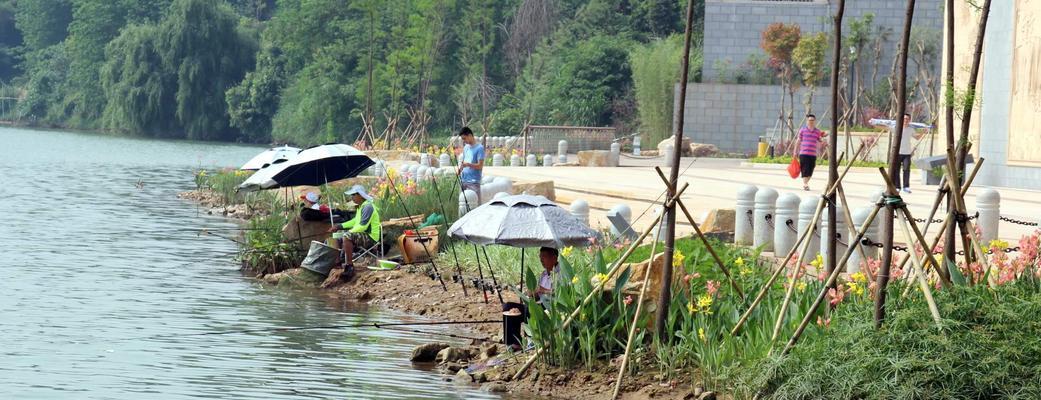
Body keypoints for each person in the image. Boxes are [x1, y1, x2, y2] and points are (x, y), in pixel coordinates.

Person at [501, 247, 560, 350]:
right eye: (540, 257)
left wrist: (542, 290)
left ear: (554, 258)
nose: (541, 260)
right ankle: (513, 343)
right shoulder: (544, 274)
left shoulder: (562, 273)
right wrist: (532, 293)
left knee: (531, 309)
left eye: (544, 257)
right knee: (509, 307)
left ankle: (533, 341)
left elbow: (561, 293)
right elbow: (539, 294)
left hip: (552, 308)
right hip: (539, 305)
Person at [328, 185, 381, 280]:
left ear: (360, 195)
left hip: (371, 237)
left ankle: (349, 266)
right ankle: (338, 264)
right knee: (334, 239)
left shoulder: (368, 207)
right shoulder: (361, 207)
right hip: (362, 234)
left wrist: (349, 232)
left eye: (353, 195)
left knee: (347, 236)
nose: (351, 197)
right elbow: (354, 222)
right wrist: (339, 226)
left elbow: (363, 226)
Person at [873, 114, 923, 193]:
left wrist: (924, 131)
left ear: (909, 120)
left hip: (907, 153)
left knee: (906, 169)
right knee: (897, 170)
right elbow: (885, 127)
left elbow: (917, 137)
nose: (905, 120)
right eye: (904, 119)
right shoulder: (896, 128)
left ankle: (906, 187)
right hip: (897, 153)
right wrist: (874, 123)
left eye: (907, 119)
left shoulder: (911, 129)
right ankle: (897, 186)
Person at [797, 114, 827, 191]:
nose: (811, 122)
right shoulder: (802, 130)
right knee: (804, 169)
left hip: (812, 154)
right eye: (809, 120)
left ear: (814, 121)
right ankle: (805, 184)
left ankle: (805, 183)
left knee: (811, 169)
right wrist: (795, 151)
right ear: (807, 121)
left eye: (812, 120)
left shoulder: (817, 131)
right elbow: (798, 141)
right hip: (803, 153)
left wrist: (824, 142)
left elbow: (820, 140)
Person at [456, 127, 484, 205]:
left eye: (464, 138)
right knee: (463, 205)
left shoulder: (479, 148)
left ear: (470, 135)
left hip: (474, 182)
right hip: (464, 180)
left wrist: (468, 164)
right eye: (462, 139)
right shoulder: (466, 148)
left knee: (475, 205)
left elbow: (480, 166)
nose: (464, 141)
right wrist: (460, 169)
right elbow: (464, 162)